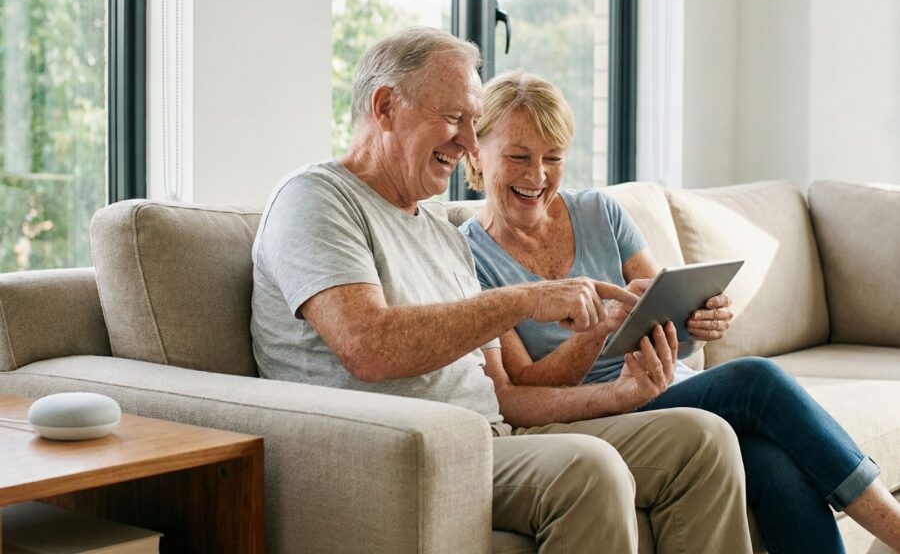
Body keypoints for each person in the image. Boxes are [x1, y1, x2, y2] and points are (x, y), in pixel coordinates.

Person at [251, 27, 755, 552]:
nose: (469, 142)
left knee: (704, 439)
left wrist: (620, 395)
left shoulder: (442, 235)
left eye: (473, 122)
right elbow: (368, 346)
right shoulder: (316, 198)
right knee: (590, 469)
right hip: (399, 448)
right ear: (384, 107)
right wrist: (525, 298)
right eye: (453, 118)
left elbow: (502, 396)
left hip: (491, 438)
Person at [458, 69, 900, 553]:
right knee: (755, 381)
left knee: (766, 456)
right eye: (518, 157)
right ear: (476, 154)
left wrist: (698, 322)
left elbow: (664, 311)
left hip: (663, 386)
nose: (537, 176)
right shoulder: (468, 258)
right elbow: (518, 392)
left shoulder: (599, 212)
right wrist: (597, 338)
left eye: (554, 158)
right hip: (585, 413)